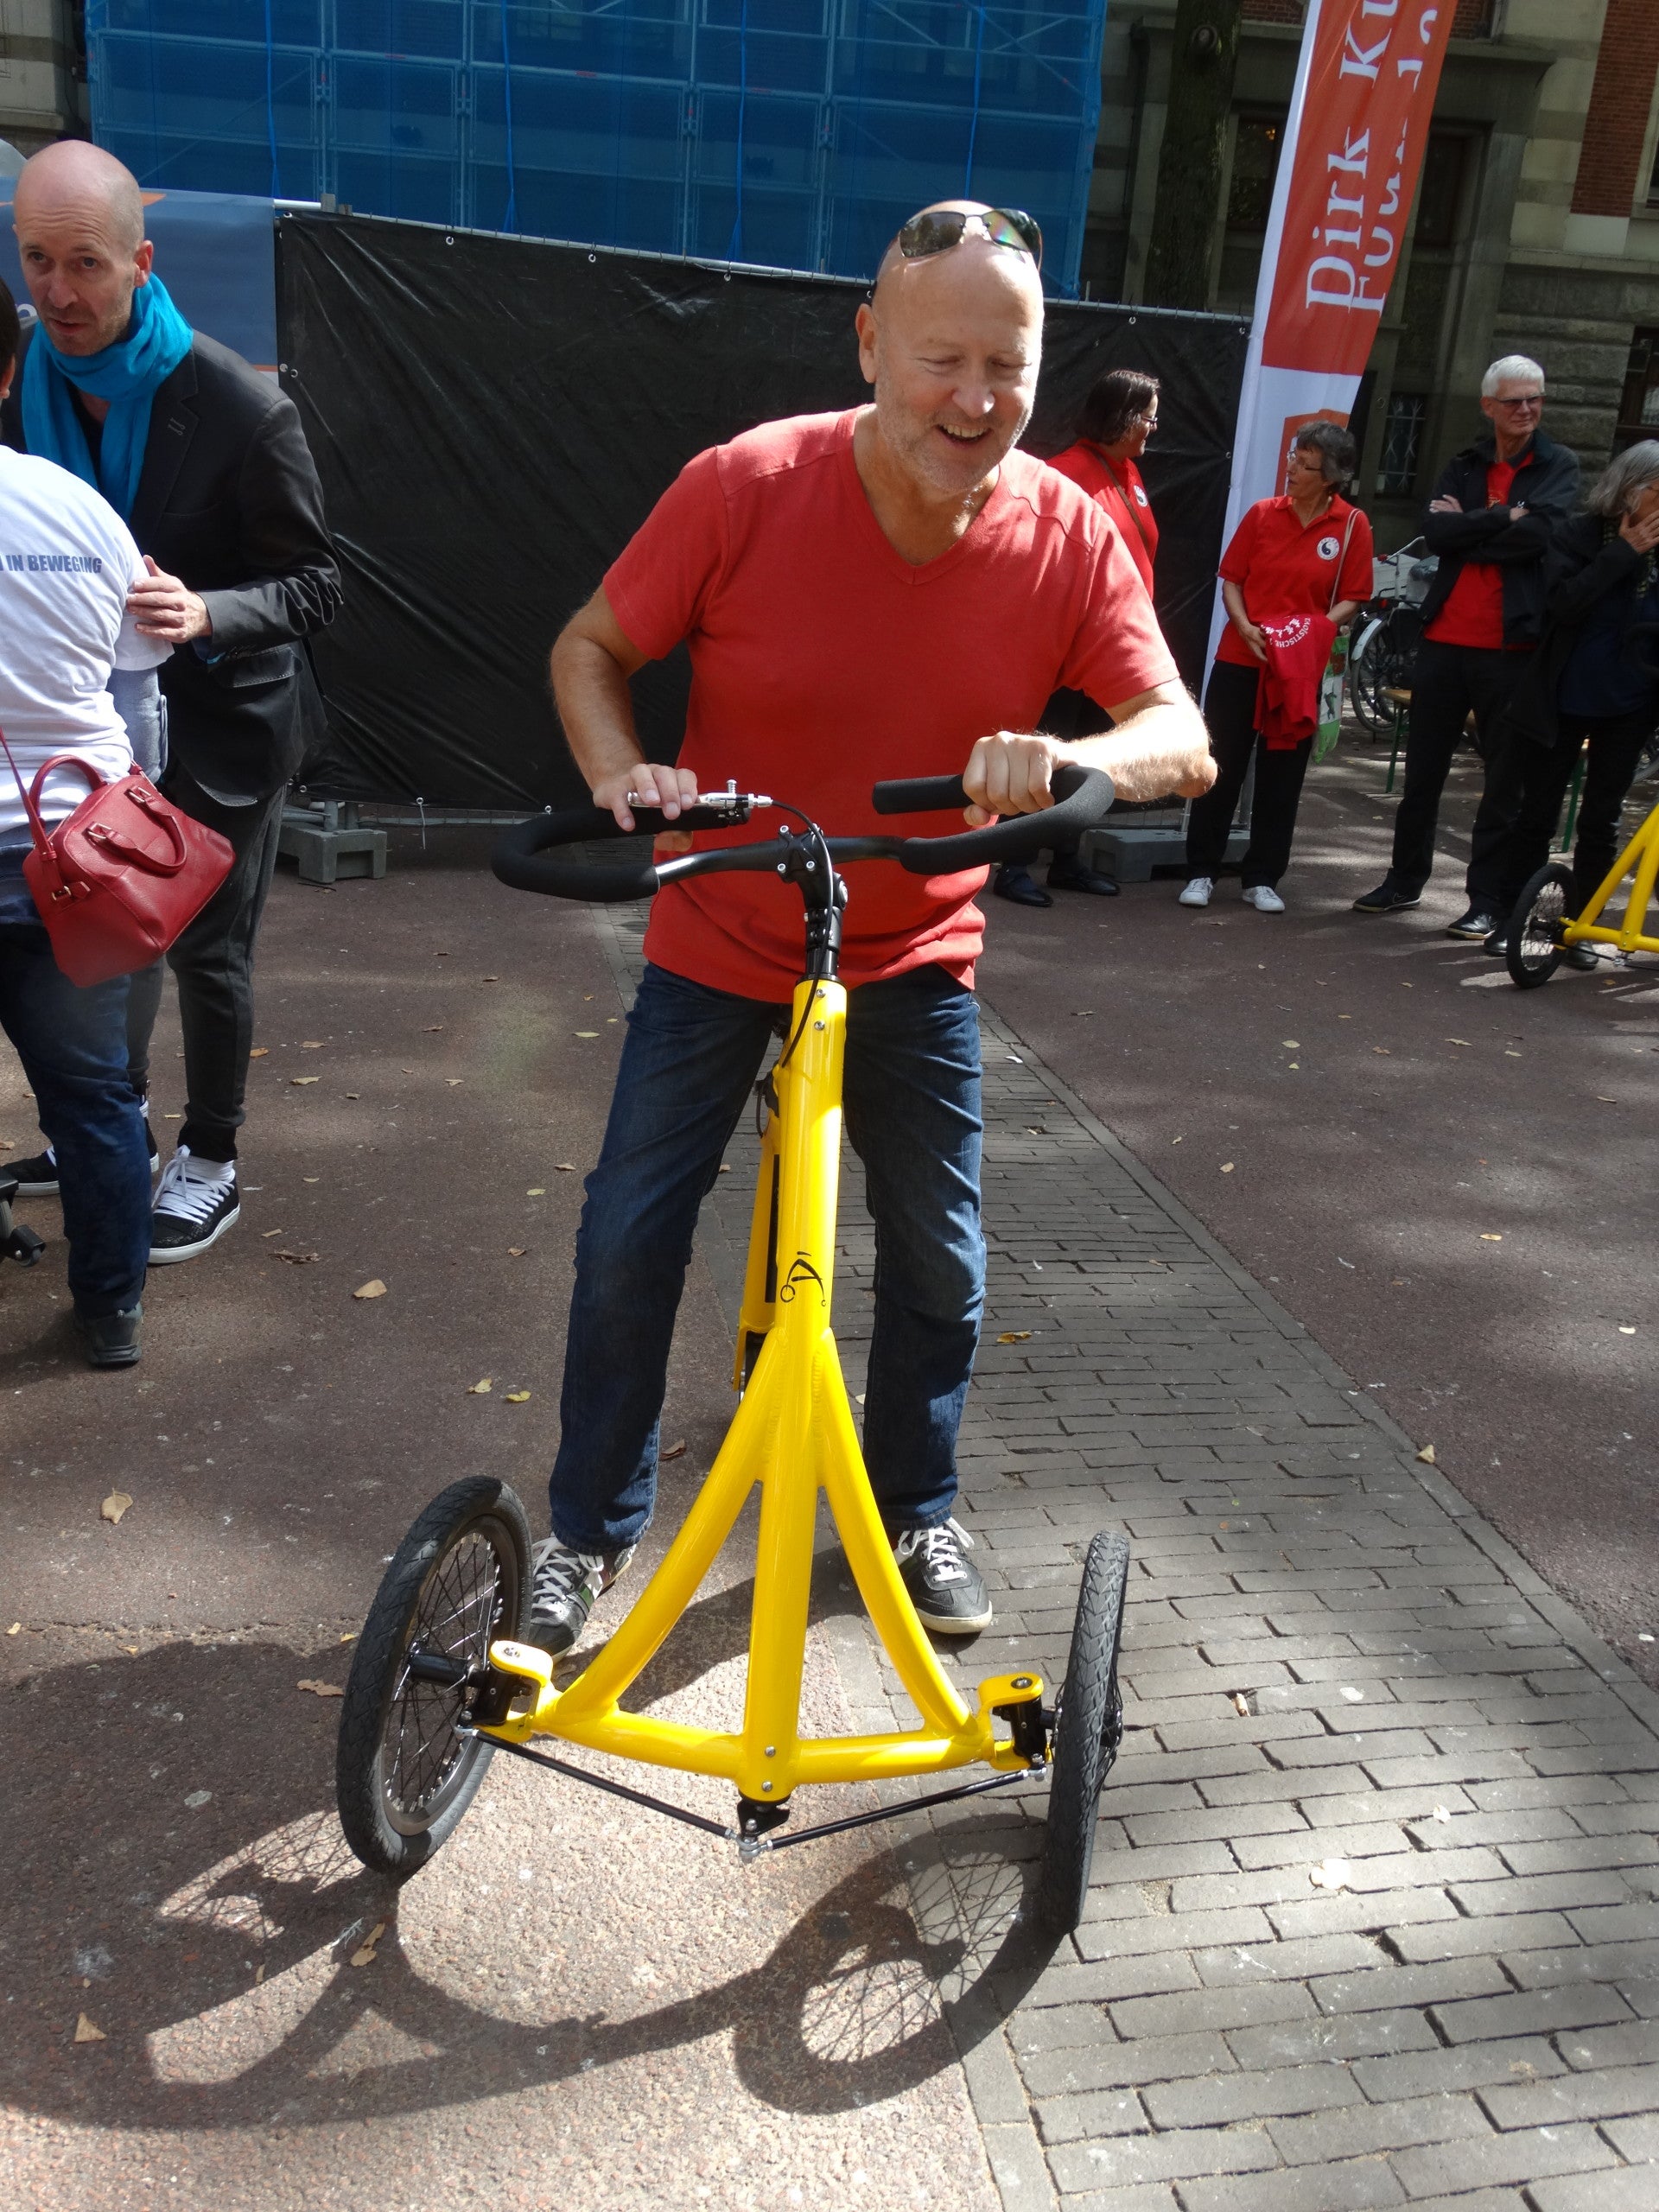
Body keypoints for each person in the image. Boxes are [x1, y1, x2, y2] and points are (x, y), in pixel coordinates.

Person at [530, 199, 1214, 1656]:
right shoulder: (746, 485)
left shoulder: (1069, 531)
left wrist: (1074, 758)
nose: (974, 400)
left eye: (1007, 368)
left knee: (942, 1254)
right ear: (868, 345)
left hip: (908, 945)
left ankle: (913, 1505)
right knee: (628, 1233)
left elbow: (1182, 737)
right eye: (939, 360)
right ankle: (586, 1531)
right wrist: (619, 774)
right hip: (722, 925)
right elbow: (589, 646)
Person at [1, 142, 340, 1262]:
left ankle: (213, 1153)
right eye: (37, 261)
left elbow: (316, 584)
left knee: (207, 951)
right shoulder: (22, 384)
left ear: (140, 263)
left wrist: (206, 611)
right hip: (88, 727)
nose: (59, 292)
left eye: (85, 264)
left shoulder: (240, 404)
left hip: (228, 726)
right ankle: (115, 1129)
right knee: (105, 934)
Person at [0, 276, 165, 1368]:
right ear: (9, 372)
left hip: (57, 853)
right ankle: (112, 1311)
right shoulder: (76, 507)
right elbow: (135, 670)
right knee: (94, 1094)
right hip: (69, 853)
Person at [1351, 356, 1580, 936]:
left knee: (1502, 784)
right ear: (1488, 406)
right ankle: (1404, 881)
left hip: (1510, 648)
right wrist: (1503, 516)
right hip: (1443, 642)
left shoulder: (1557, 464)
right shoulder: (1464, 463)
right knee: (1422, 775)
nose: (1526, 409)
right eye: (1514, 400)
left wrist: (1472, 527)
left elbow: (1540, 537)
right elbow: (1438, 535)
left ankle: (1486, 901)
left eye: (1535, 398)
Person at [1179, 421, 1372, 914]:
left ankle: (1262, 877)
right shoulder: (1263, 513)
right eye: (1292, 457)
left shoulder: (1352, 525)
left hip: (1298, 669)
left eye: (1305, 464)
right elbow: (1232, 579)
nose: (1291, 469)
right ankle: (1201, 870)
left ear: (1330, 478)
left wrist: (1313, 633)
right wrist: (1244, 626)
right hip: (1241, 656)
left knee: (1282, 774)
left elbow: (1354, 595)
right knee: (1220, 764)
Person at [992, 365, 1161, 908]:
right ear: (1122, 417)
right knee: (1045, 750)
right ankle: (1014, 865)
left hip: (1110, 647)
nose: (1153, 428)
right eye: (1148, 418)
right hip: (1064, 648)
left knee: (1089, 755)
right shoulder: (1064, 474)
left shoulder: (1129, 473)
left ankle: (1067, 859)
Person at [1484, 442, 1659, 967]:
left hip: (1632, 702)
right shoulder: (1578, 535)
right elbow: (1561, 603)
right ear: (1632, 490)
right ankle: (1514, 919)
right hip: (1563, 695)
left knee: (1602, 819)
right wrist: (1623, 553)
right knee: (1536, 812)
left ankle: (1579, 927)